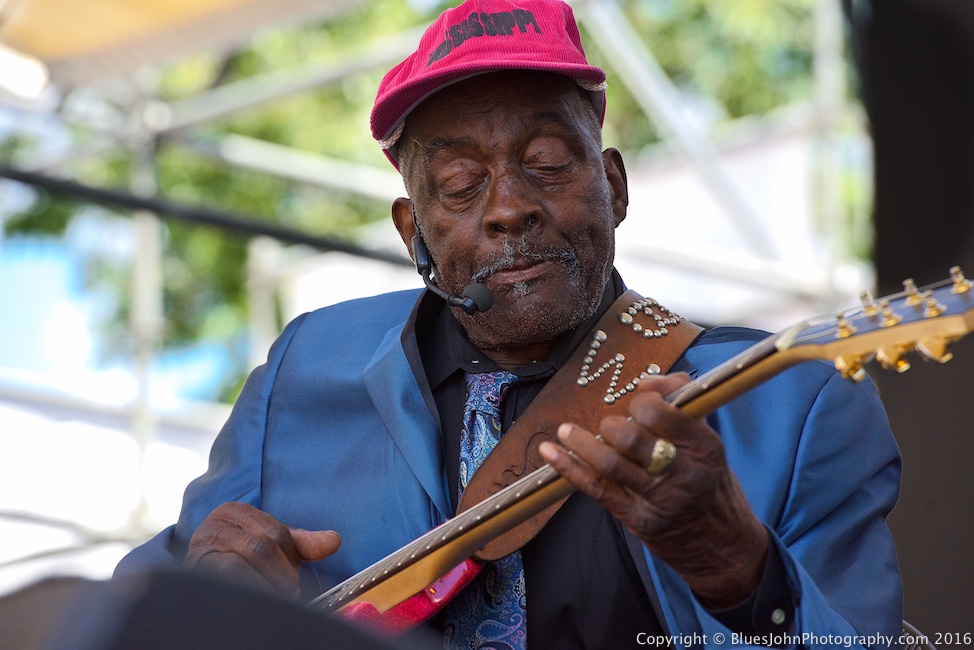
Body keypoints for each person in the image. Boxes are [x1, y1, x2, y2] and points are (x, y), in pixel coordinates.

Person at [116, 1, 903, 647]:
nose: (508, 207)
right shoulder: (302, 376)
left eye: (550, 161)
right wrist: (204, 604)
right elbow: (113, 624)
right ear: (411, 231)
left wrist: (741, 571)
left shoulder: (789, 405)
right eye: (459, 184)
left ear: (615, 187)